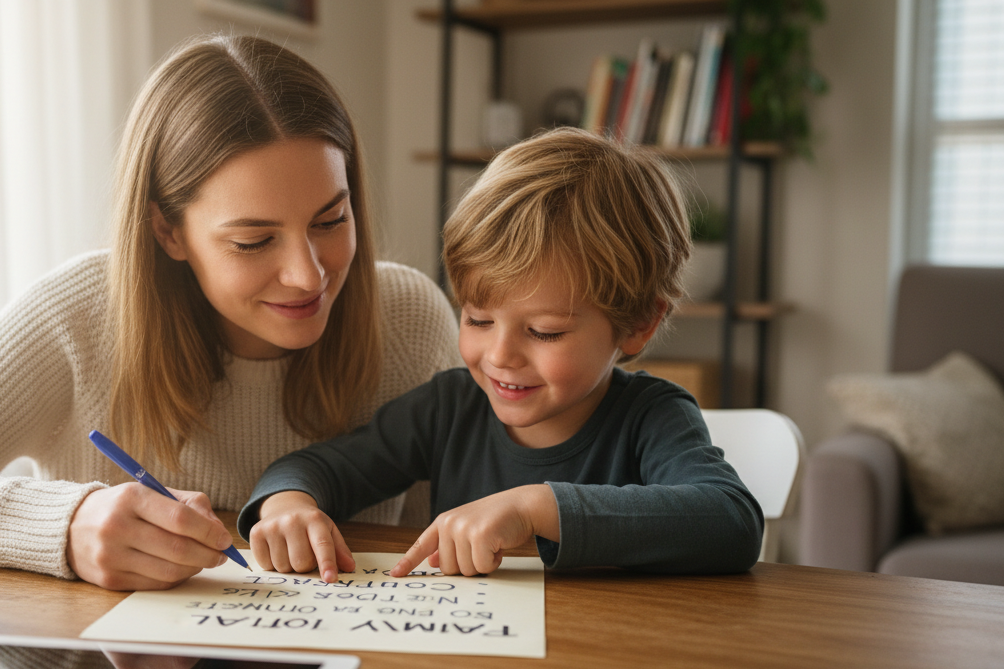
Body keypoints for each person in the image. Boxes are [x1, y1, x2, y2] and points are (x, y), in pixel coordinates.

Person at [0, 34, 460, 591]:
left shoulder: (408, 320)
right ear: (167, 232)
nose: (309, 273)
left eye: (331, 219)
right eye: (253, 241)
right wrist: (65, 523)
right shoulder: (83, 313)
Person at [237, 128, 763, 584]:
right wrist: (288, 505)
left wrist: (537, 507)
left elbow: (731, 521)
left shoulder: (652, 415)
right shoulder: (449, 408)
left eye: (544, 331)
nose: (500, 356)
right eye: (478, 319)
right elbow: (316, 467)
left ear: (639, 323)